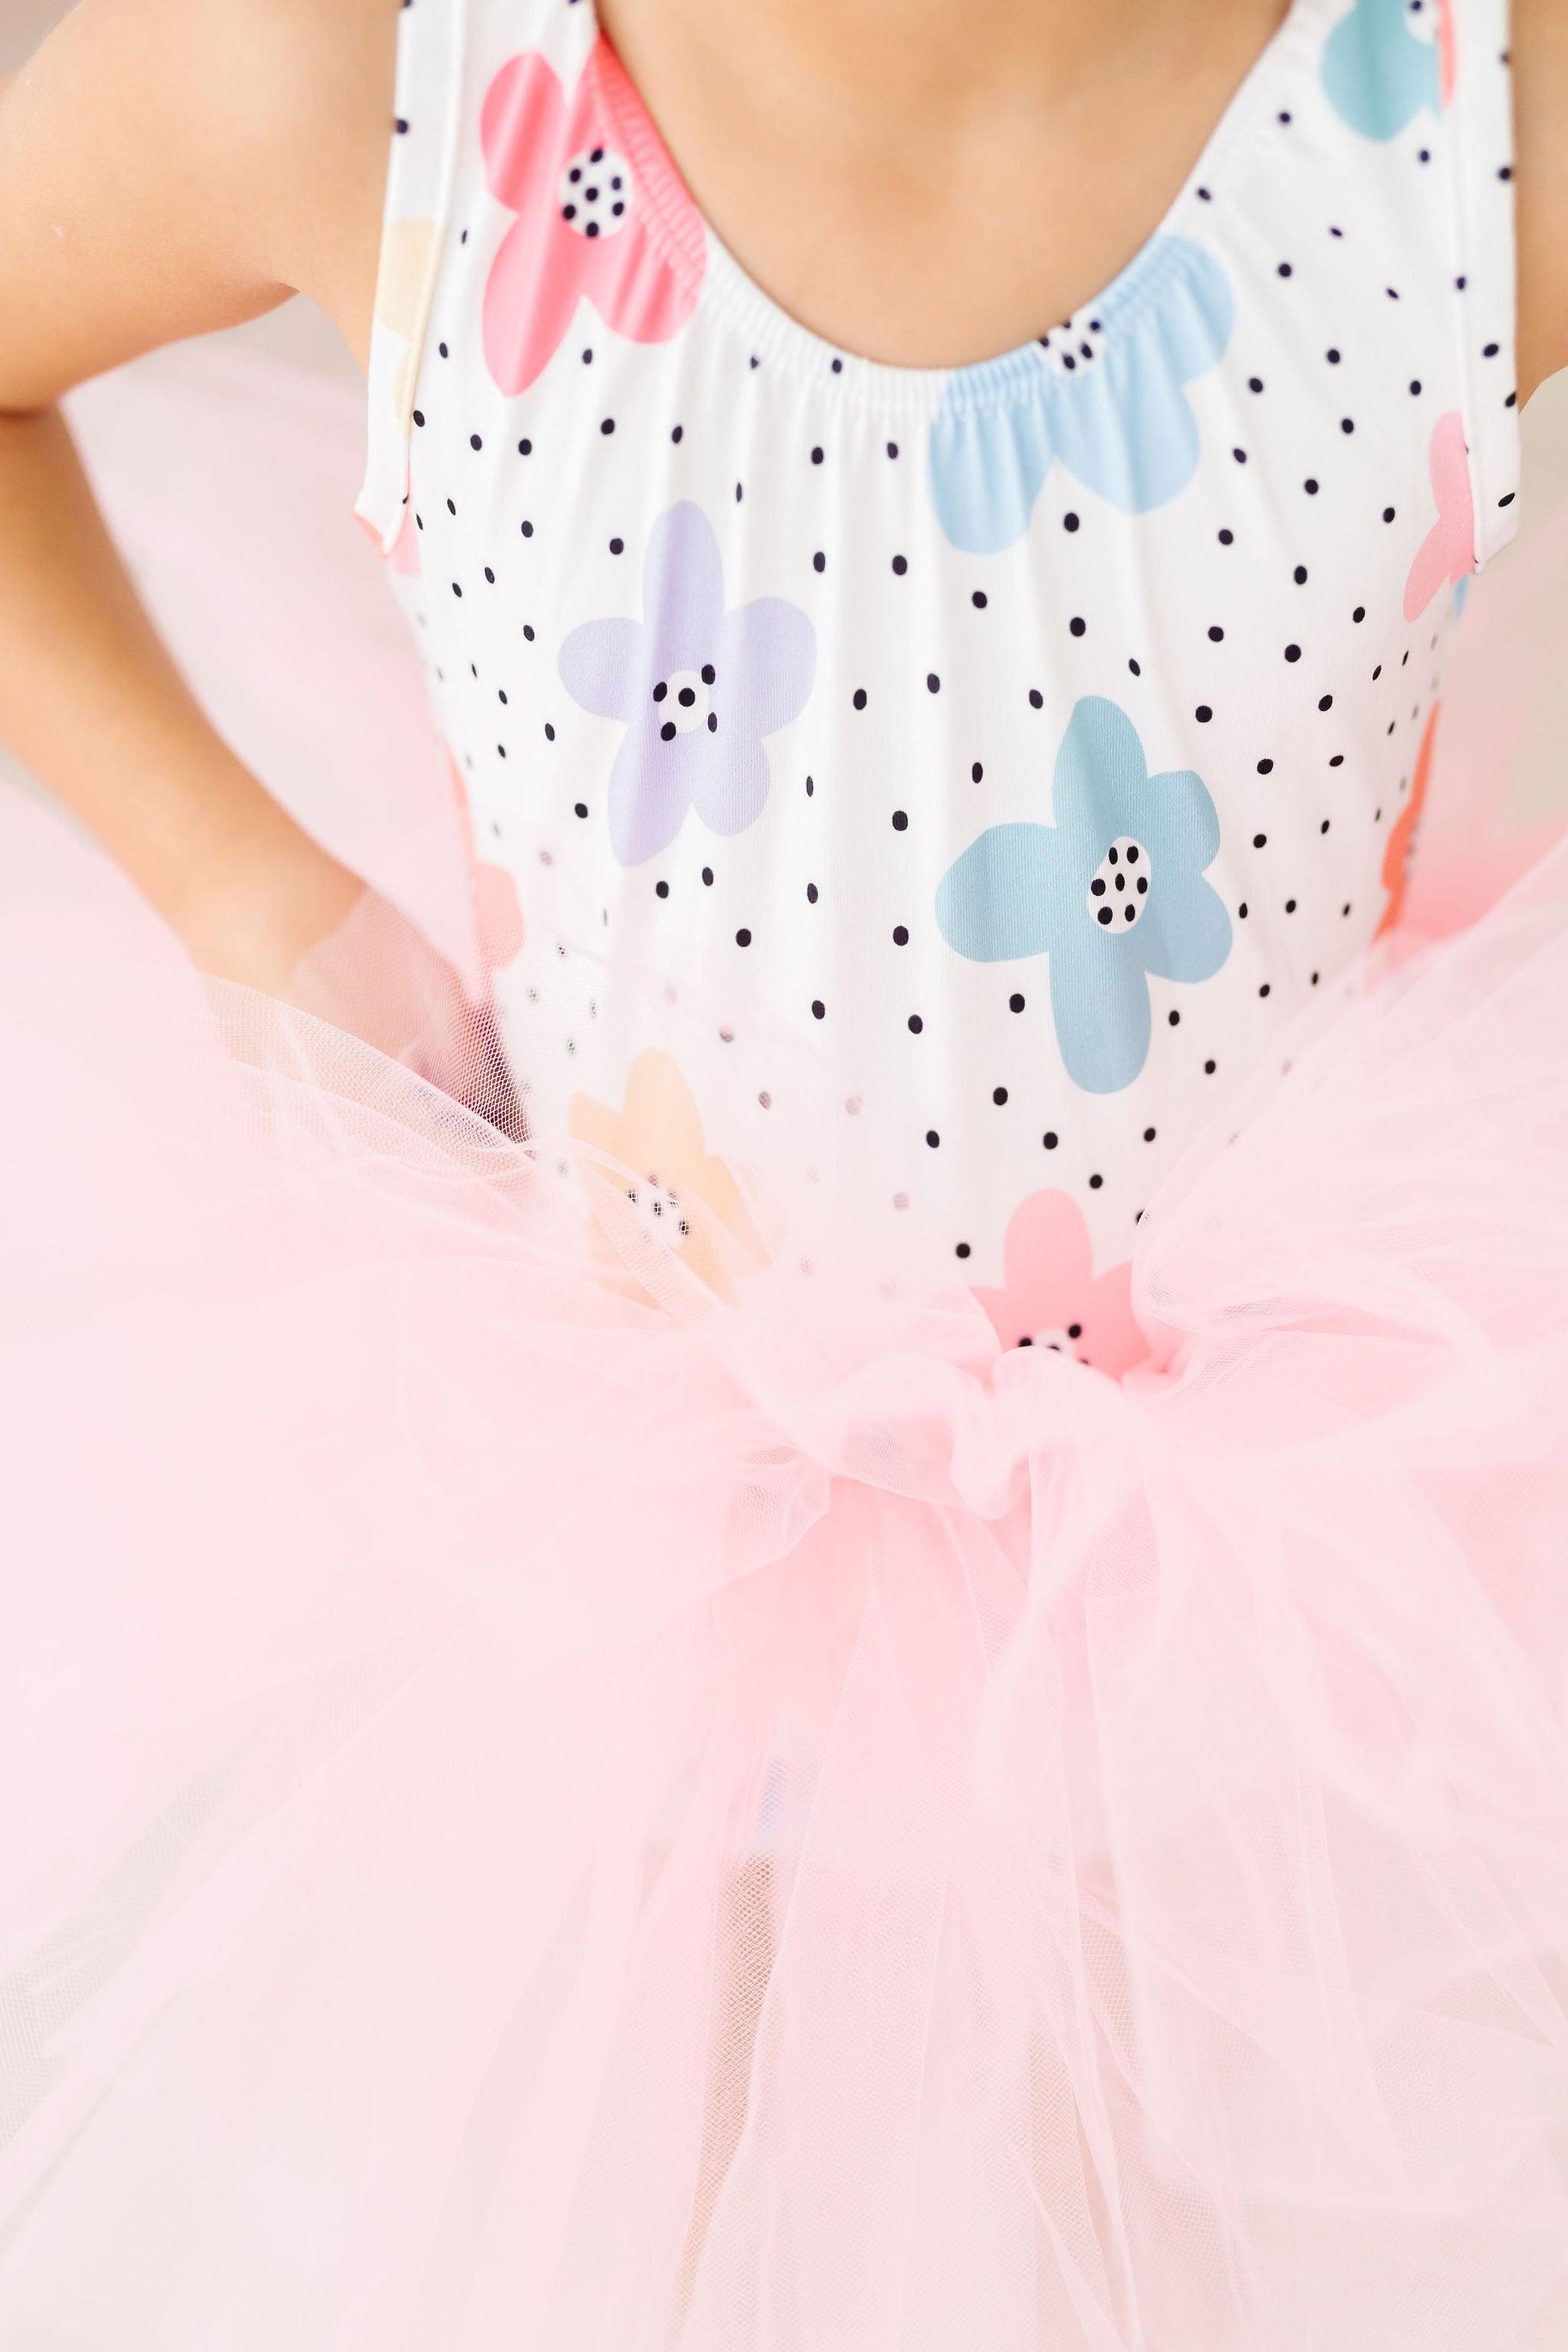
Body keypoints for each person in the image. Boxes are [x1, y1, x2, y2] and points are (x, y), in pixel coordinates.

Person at [2, 2, 1567, 2342]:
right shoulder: (359, 73)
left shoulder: (1463, 110)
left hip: (1261, 1559)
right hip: (636, 1518)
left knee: (1169, 2216)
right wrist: (243, 892)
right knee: (695, 2198)